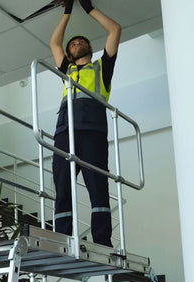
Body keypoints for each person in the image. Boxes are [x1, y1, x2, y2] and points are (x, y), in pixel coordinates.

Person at [50, 0, 121, 247]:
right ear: (70, 54)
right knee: (62, 188)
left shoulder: (103, 68)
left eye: (81, 41)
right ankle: (62, 240)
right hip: (64, 132)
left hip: (92, 134)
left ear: (90, 48)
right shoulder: (67, 71)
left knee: (97, 187)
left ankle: (102, 242)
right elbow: (54, 43)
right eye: (73, 44)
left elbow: (114, 30)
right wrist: (67, 12)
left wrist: (88, 7)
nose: (76, 43)